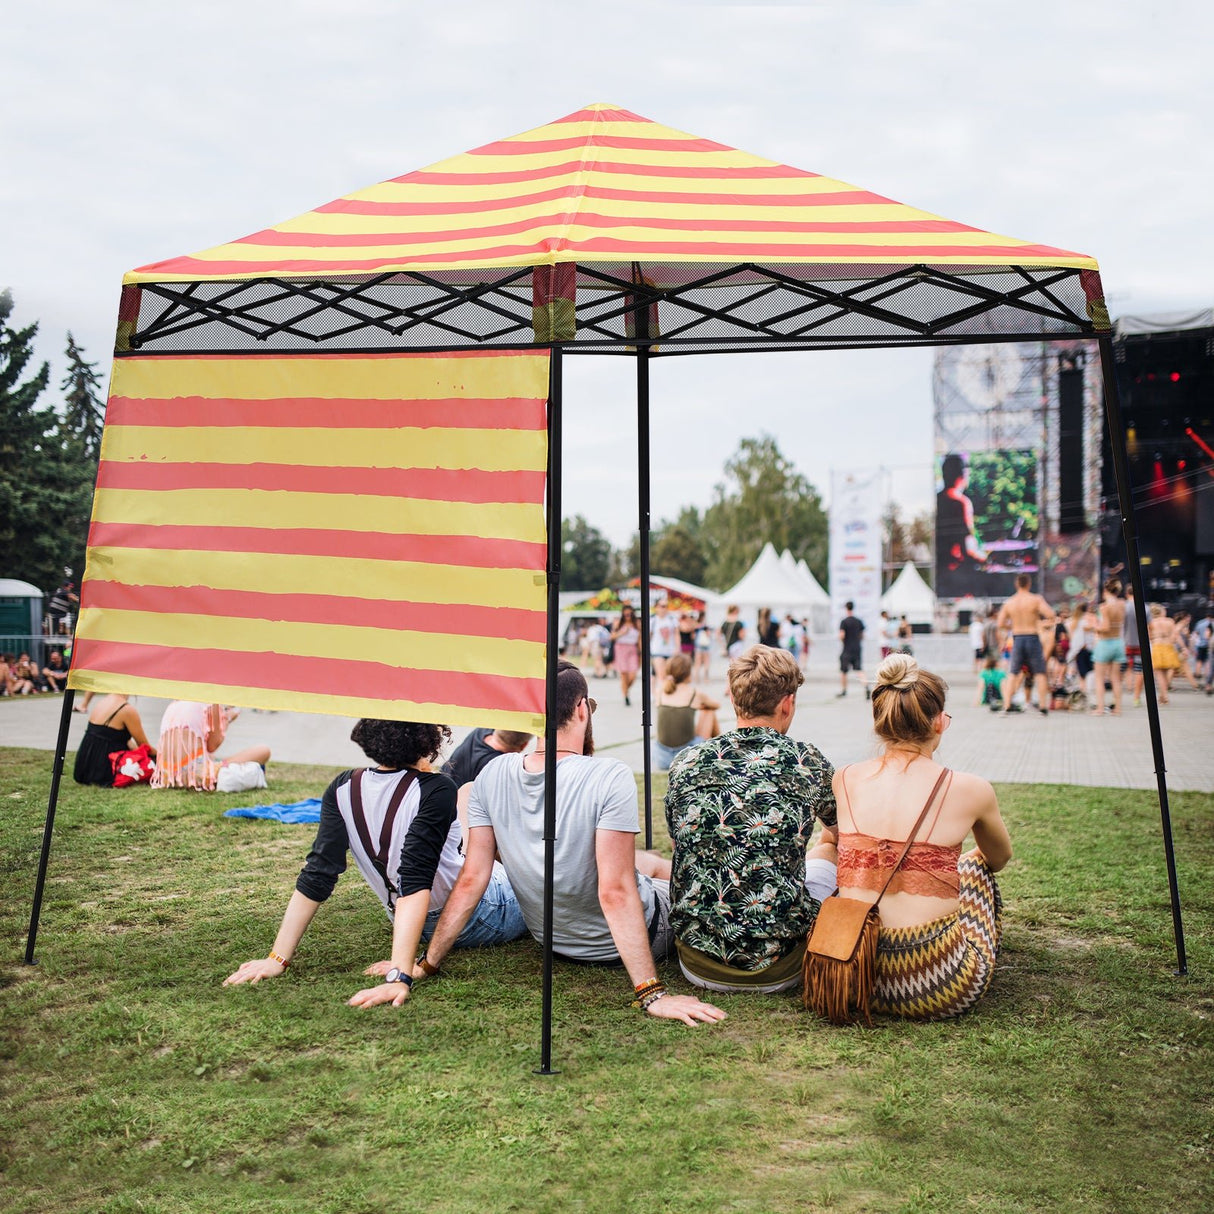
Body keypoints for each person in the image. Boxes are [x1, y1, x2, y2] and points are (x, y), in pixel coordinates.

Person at [410, 661, 727, 1026]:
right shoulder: (609, 775)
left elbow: (473, 878)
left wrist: (426, 963)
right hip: (624, 938)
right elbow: (615, 891)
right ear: (582, 709)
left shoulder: (492, 773)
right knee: (693, 881)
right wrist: (651, 992)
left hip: (554, 940)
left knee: (649, 862)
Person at [225, 719, 527, 999]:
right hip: (476, 915)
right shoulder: (435, 789)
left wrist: (277, 958)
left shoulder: (343, 786)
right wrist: (400, 973)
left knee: (469, 791)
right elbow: (415, 878)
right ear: (429, 737)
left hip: (402, 918)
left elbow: (318, 873)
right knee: (502, 834)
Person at [834, 654, 1012, 1019]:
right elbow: (999, 858)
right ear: (938, 723)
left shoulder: (845, 778)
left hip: (854, 969)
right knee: (975, 865)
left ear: (879, 722)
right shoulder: (971, 789)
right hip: (939, 983)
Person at [664, 646, 837, 993]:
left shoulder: (687, 761)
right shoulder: (806, 761)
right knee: (831, 847)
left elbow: (677, 845)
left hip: (697, 962)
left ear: (734, 700)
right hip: (781, 966)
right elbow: (847, 835)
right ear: (786, 703)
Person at [150, 701, 271, 790]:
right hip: (193, 775)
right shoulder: (212, 700)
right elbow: (213, 745)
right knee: (263, 751)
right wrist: (227, 719)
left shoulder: (175, 703)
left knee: (212, 758)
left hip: (166, 775)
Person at [997, 574, 1055, 715]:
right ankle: (1043, 706)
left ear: (1017, 584)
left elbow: (1000, 623)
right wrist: (1038, 622)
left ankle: (1007, 705)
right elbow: (1051, 614)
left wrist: (1013, 626)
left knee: (1013, 672)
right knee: (1040, 672)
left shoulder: (1009, 602)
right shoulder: (1035, 599)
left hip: (1017, 637)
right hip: (1032, 637)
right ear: (1028, 584)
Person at [652, 653, 720, 771]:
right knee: (708, 712)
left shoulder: (660, 692)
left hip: (661, 758)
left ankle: (718, 752)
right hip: (686, 758)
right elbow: (716, 705)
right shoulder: (694, 693)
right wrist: (701, 706)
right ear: (688, 673)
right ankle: (721, 751)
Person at [73, 693, 157, 786]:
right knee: (153, 762)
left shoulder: (103, 701)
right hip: (107, 768)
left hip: (85, 766)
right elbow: (144, 746)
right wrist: (161, 755)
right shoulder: (126, 709)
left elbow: (118, 738)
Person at [936, 453, 988, 585]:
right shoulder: (962, 503)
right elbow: (968, 548)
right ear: (962, 475)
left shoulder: (936, 499)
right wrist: (986, 558)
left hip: (938, 571)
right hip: (956, 572)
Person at [443, 727, 533, 789]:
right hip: (458, 809)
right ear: (524, 746)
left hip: (444, 784)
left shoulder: (480, 731)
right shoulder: (500, 766)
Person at [1089, 578, 1126, 716]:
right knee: (1116, 678)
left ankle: (1100, 708)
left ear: (1105, 591)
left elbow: (1105, 627)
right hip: (1118, 642)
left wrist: (1094, 627)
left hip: (1105, 643)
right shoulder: (1122, 604)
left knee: (1099, 678)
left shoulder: (1104, 607)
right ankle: (1118, 708)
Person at [611, 604, 641, 707]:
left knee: (633, 674)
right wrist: (622, 632)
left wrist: (641, 652)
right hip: (620, 648)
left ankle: (626, 690)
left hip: (632, 648)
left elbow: (640, 639)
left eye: (629, 614)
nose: (627, 616)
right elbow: (612, 637)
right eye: (626, 614)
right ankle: (626, 695)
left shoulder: (637, 623)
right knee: (624, 673)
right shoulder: (619, 623)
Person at [837, 601, 868, 698]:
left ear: (846, 608)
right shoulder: (858, 621)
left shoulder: (844, 621)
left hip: (847, 649)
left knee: (844, 671)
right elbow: (862, 635)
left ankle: (844, 690)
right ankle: (866, 687)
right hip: (857, 648)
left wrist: (843, 641)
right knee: (859, 669)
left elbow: (842, 635)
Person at [649, 600, 679, 686]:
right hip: (657, 650)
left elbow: (676, 634)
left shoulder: (672, 619)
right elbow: (649, 636)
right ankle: (659, 696)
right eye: (662, 606)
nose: (664, 608)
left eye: (666, 606)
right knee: (661, 676)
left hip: (670, 651)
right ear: (656, 607)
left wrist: (677, 648)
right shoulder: (653, 620)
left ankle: (660, 694)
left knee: (669, 676)